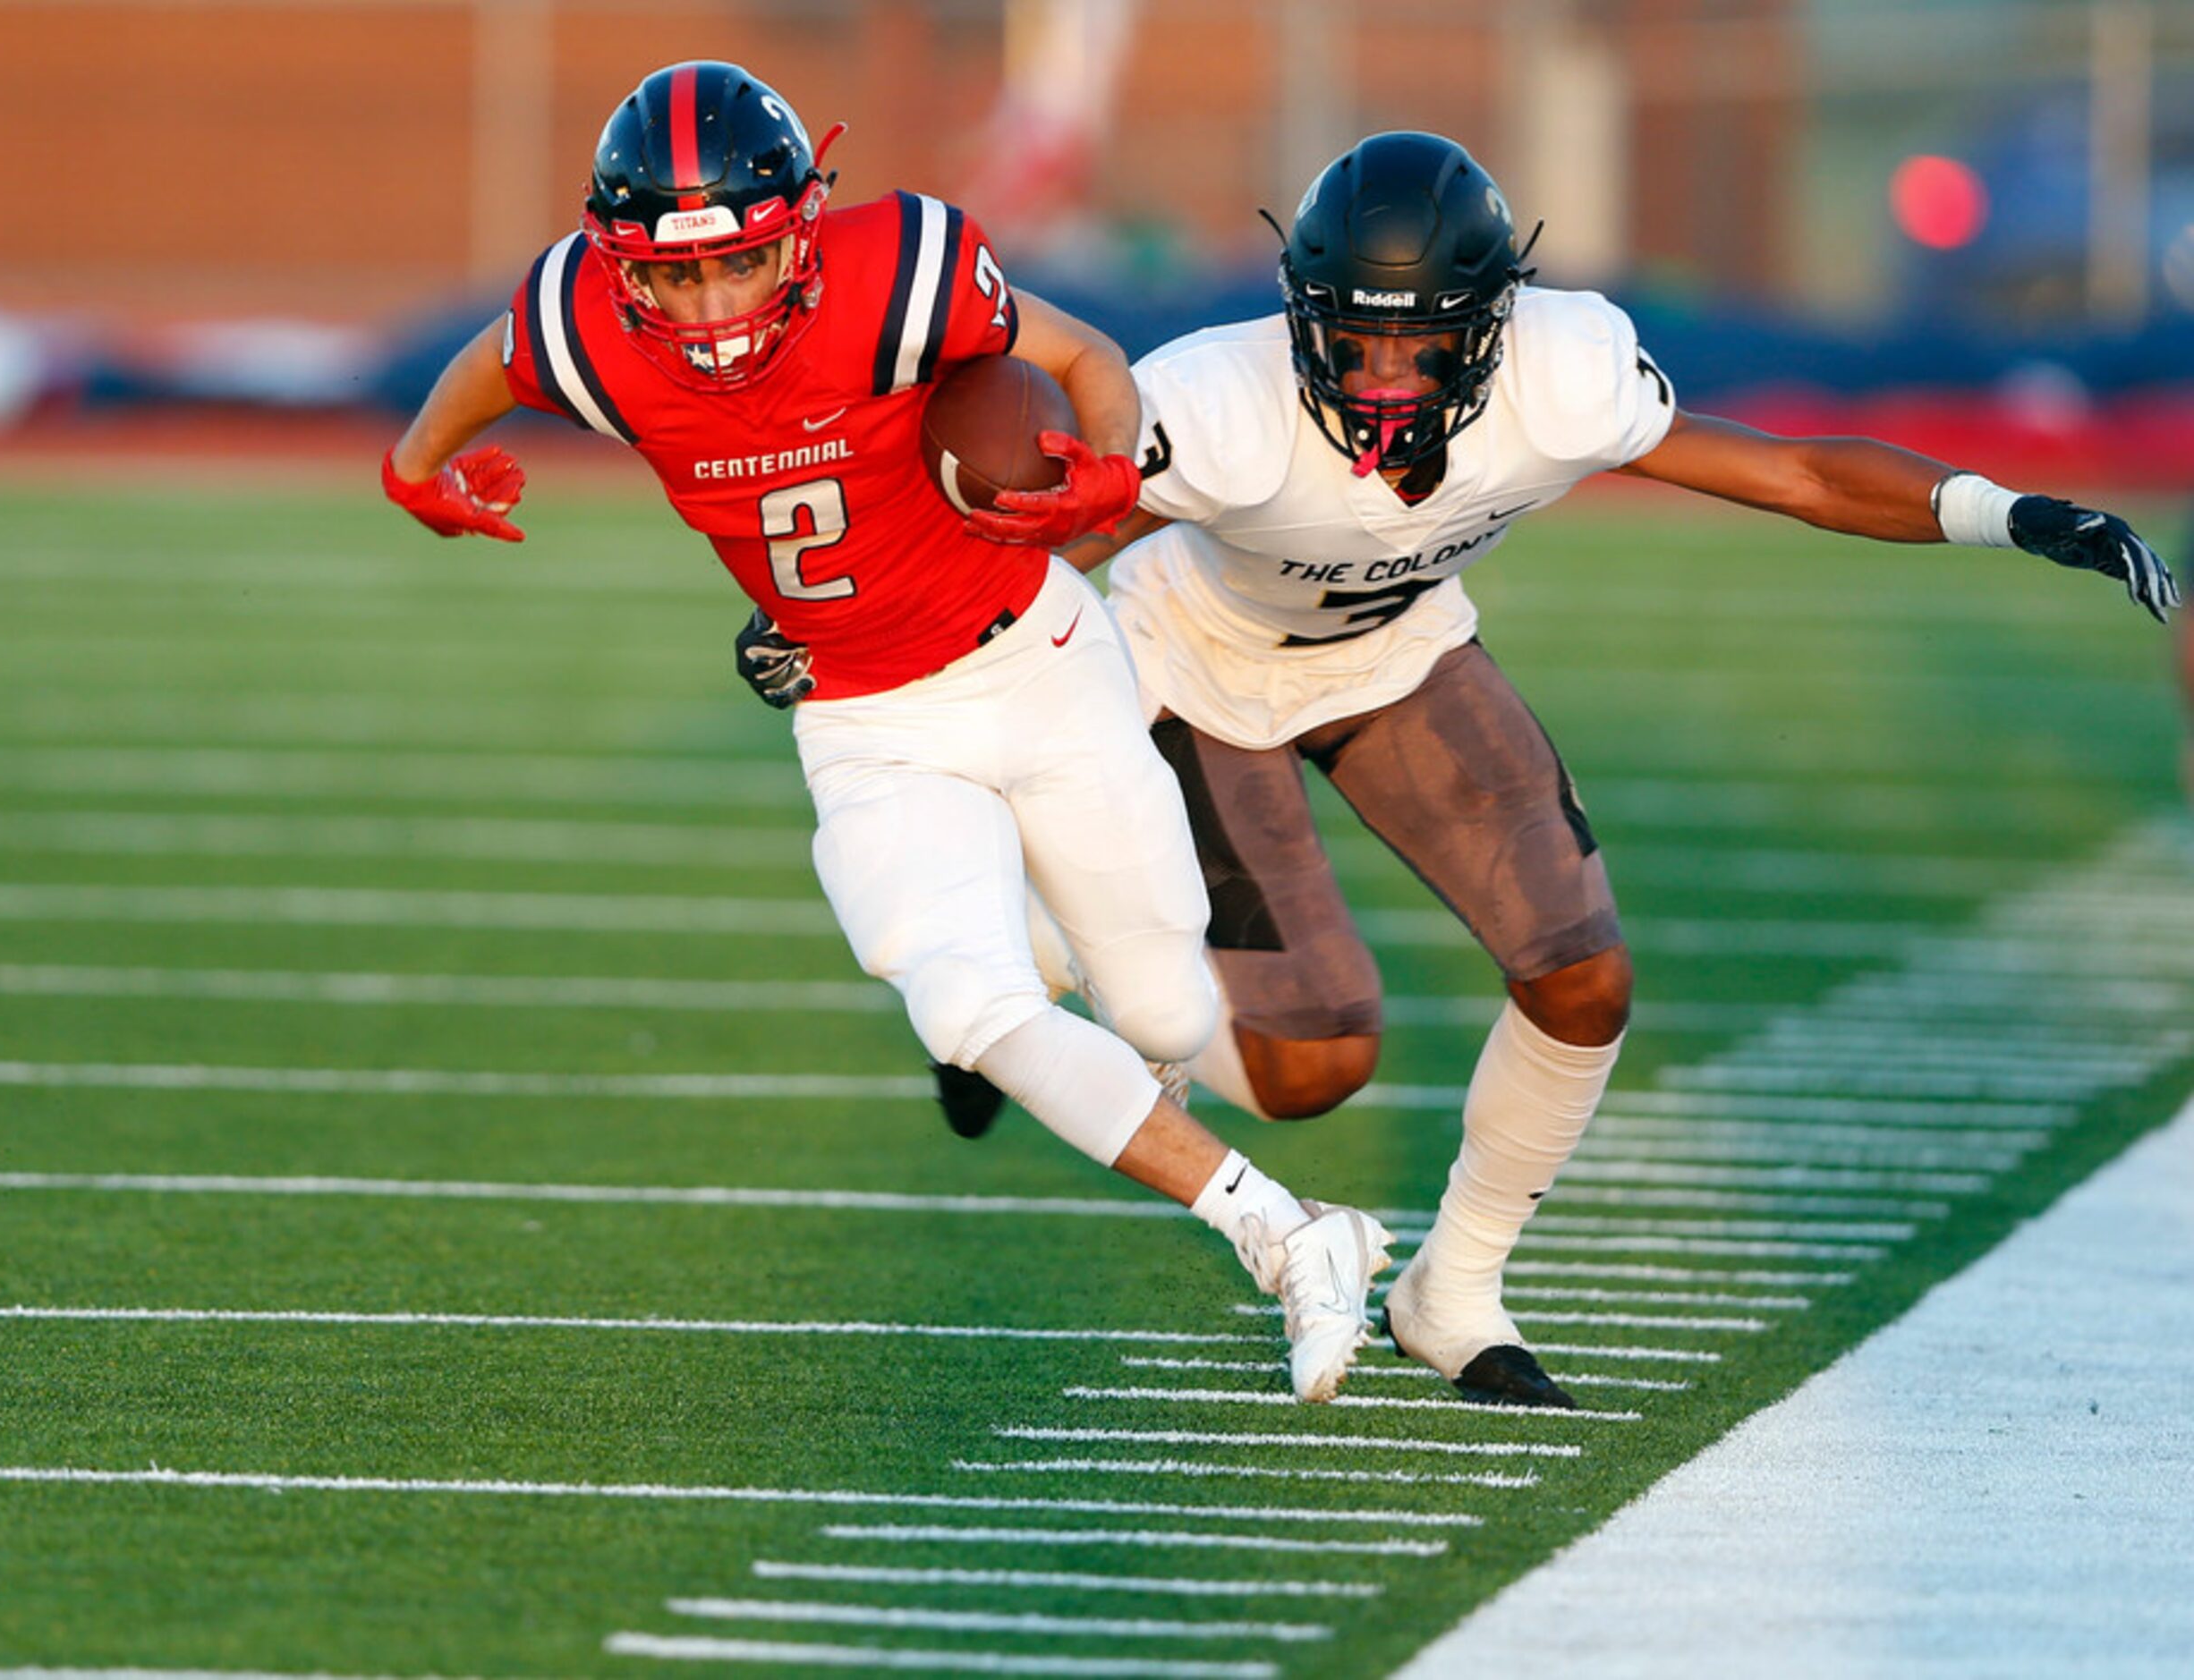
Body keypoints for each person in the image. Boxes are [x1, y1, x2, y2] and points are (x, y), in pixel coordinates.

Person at [738, 131, 2180, 1410]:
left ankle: (1455, 1289)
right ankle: (1054, 966)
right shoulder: (1216, 403)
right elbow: (1039, 540)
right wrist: (839, 618)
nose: (1375, 376)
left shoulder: (1565, 370)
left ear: (1493, 326)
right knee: (1312, 1067)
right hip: (1195, 662)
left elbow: (1794, 472)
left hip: (1401, 650)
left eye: (1415, 343)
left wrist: (2007, 511)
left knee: (1582, 974)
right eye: (1348, 339)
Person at [379, 60, 1390, 1404]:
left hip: (1038, 659)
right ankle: (1292, 1234)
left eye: (737, 264)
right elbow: (491, 360)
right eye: (673, 278)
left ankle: (1032, 932)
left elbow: (1084, 357)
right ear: (620, 265)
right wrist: (413, 467)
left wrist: (1105, 468)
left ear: (800, 229)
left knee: (1160, 1006)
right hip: (864, 716)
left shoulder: (899, 273)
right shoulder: (584, 318)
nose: (709, 305)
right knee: (969, 1006)